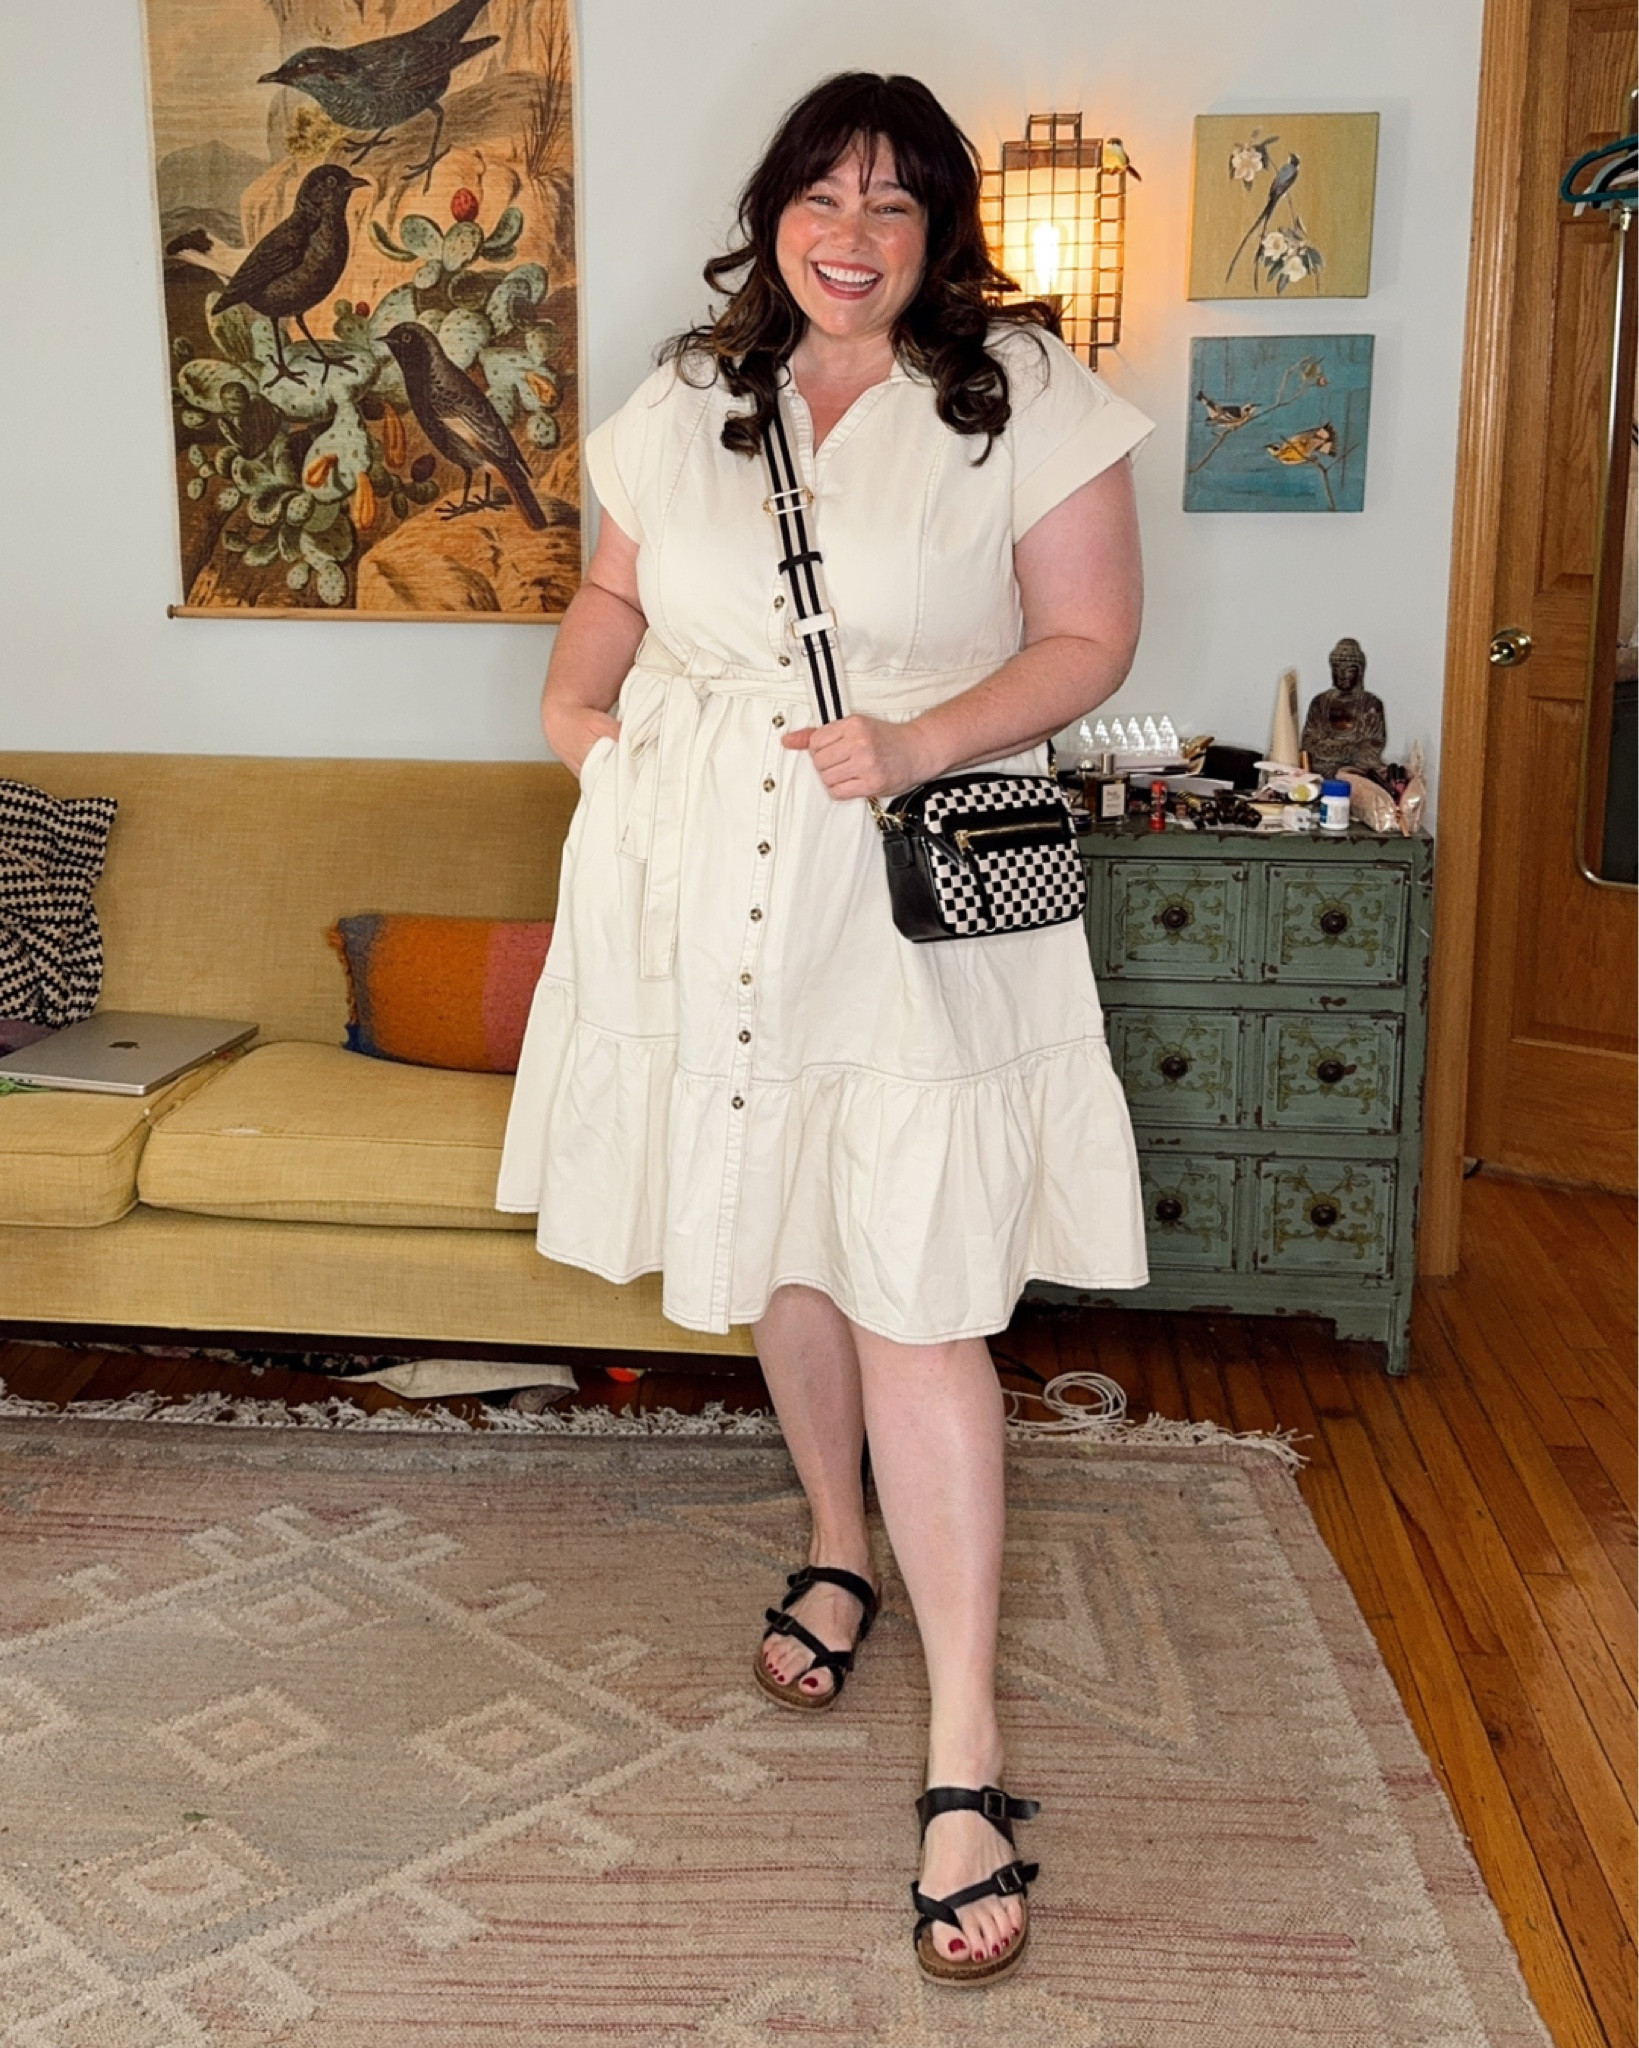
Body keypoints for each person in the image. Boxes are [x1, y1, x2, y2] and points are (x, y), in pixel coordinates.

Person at [497, 71, 1152, 1985]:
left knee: (923, 1286)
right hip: (707, 887)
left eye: (894, 201)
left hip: (912, 899)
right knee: (788, 1229)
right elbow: (606, 598)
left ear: (940, 231)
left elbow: (1094, 636)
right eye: (822, 193)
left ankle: (966, 1754)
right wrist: (576, 721)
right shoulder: (688, 394)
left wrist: (925, 739)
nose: (851, 230)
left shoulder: (1026, 397)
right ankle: (834, 1536)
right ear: (776, 209)